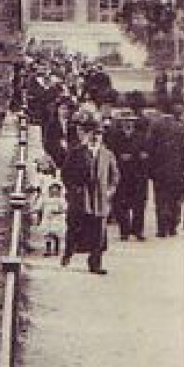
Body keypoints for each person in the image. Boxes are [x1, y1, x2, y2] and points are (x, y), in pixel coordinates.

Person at [61, 116, 120, 274]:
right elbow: (65, 173)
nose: (96, 137)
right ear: (88, 135)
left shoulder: (107, 154)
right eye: (93, 133)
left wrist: (109, 191)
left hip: (100, 199)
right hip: (81, 197)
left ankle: (95, 263)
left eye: (99, 134)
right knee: (74, 227)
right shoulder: (77, 152)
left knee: (99, 231)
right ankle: (68, 252)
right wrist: (73, 189)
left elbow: (115, 176)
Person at [107, 113, 151, 240]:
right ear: (121, 123)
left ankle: (138, 231)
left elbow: (147, 152)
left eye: (130, 121)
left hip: (138, 175)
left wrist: (144, 157)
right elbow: (111, 154)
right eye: (125, 121)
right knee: (121, 204)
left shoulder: (141, 137)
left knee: (139, 204)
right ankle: (124, 230)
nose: (128, 123)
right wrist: (119, 158)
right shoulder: (115, 138)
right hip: (122, 175)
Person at [147, 107, 184, 237]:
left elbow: (150, 148)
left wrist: (150, 169)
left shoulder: (155, 126)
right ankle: (172, 227)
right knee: (174, 199)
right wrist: (183, 168)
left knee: (160, 199)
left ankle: (161, 229)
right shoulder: (180, 128)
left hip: (159, 170)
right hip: (176, 170)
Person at [35, 180, 68, 258]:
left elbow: (65, 208)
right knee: (47, 234)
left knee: (56, 234)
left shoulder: (61, 199)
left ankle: (57, 249)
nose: (54, 191)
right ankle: (48, 250)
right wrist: (37, 210)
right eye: (52, 189)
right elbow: (39, 206)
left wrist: (58, 211)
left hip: (57, 219)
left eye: (56, 189)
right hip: (47, 218)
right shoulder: (45, 198)